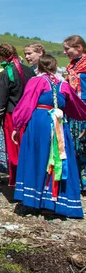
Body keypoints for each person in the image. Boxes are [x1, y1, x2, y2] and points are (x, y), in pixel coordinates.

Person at [13, 55, 86, 217]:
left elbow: (26, 104)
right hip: (59, 124)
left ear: (39, 66)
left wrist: (17, 125)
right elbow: (76, 107)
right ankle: (55, 201)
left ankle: (34, 200)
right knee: (58, 158)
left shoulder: (36, 81)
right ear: (55, 66)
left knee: (37, 157)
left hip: (40, 122)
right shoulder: (64, 84)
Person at [0, 43, 35, 186]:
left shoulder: (6, 73)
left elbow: (1, 100)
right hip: (30, 114)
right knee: (28, 147)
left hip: (13, 116)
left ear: (1, 57)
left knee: (15, 149)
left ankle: (18, 182)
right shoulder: (29, 71)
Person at [63, 35, 86, 189]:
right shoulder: (72, 67)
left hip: (84, 107)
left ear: (78, 48)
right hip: (73, 108)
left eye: (67, 49)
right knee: (75, 144)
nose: (65, 53)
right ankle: (78, 180)